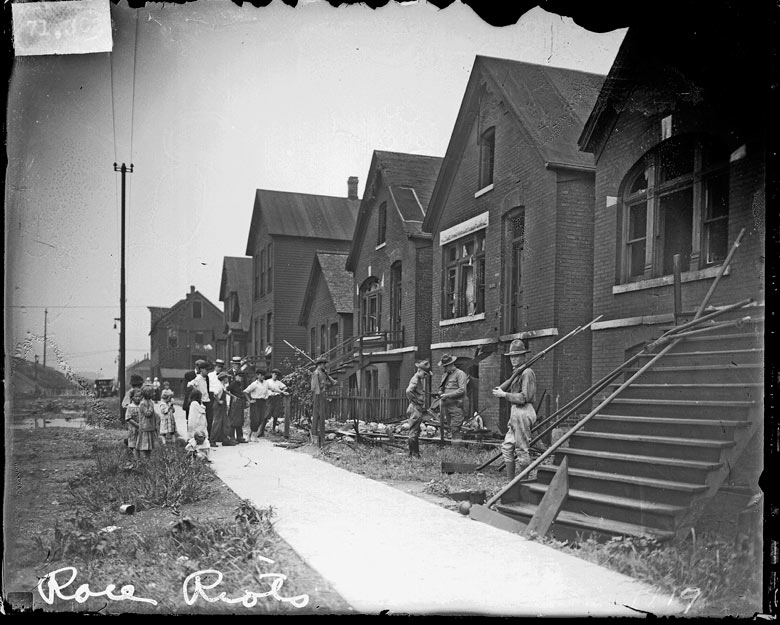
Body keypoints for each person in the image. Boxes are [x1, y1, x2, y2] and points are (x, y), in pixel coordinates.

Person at [492, 339, 537, 481]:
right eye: (512, 356)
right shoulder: (518, 372)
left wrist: (504, 395)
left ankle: (523, 483)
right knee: (506, 447)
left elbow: (525, 397)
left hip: (523, 411)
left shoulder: (527, 372)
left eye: (517, 356)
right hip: (515, 412)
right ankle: (511, 482)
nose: (513, 359)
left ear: (524, 356)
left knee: (521, 449)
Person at [437, 353, 469, 441]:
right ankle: (455, 448)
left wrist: (447, 395)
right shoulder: (445, 375)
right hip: (446, 406)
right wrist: (440, 392)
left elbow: (462, 390)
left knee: (455, 428)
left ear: (451, 364)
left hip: (457, 406)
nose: (444, 368)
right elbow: (442, 387)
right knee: (452, 428)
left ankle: (457, 451)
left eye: (446, 366)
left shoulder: (460, 374)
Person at [404, 359, 431, 458]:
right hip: (415, 408)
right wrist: (416, 401)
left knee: (415, 431)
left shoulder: (418, 379)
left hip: (416, 407)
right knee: (413, 432)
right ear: (419, 370)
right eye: (424, 374)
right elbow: (408, 391)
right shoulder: (415, 380)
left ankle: (415, 454)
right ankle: (412, 454)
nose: (425, 376)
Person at [310, 356, 337, 447]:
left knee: (322, 416)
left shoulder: (323, 373)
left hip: (322, 394)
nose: (325, 366)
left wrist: (329, 381)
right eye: (323, 364)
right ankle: (315, 438)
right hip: (318, 395)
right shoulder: (316, 373)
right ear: (320, 364)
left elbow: (327, 384)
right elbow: (315, 386)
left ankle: (322, 438)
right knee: (317, 414)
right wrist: (319, 394)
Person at [211, 371, 236, 446]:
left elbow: (225, 391)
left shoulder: (222, 385)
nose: (228, 379)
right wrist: (219, 401)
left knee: (225, 423)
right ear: (223, 378)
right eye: (226, 378)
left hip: (223, 407)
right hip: (218, 406)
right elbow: (214, 394)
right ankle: (212, 440)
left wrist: (232, 396)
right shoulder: (218, 385)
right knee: (217, 423)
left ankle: (225, 440)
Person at [243, 368, 269, 442]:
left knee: (261, 418)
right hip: (255, 402)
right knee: (255, 419)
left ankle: (254, 434)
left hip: (263, 402)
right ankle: (250, 435)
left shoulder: (266, 383)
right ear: (258, 375)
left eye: (263, 375)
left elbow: (272, 388)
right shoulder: (254, 384)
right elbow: (245, 391)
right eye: (261, 375)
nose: (263, 377)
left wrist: (282, 391)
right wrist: (249, 400)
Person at [136, 385, 161, 459]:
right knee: (144, 445)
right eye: (152, 392)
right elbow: (148, 413)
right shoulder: (143, 403)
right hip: (145, 427)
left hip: (150, 427)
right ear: (148, 393)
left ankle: (148, 459)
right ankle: (144, 459)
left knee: (149, 446)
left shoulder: (150, 402)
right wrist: (151, 407)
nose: (154, 394)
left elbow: (152, 413)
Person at [187, 360, 211, 436]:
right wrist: (196, 390)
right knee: (201, 421)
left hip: (207, 401)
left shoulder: (206, 378)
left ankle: (207, 437)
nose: (207, 372)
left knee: (208, 421)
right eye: (206, 370)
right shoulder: (198, 378)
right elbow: (189, 384)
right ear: (201, 369)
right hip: (202, 402)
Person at [265, 368, 289, 435]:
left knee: (275, 414)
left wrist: (282, 392)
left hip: (276, 398)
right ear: (272, 374)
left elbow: (285, 387)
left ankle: (273, 429)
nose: (275, 376)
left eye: (277, 375)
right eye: (274, 374)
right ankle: (261, 430)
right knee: (266, 413)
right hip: (269, 398)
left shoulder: (279, 382)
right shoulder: (267, 381)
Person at [227, 370, 248, 443]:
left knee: (240, 420)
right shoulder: (233, 383)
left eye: (242, 377)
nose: (240, 378)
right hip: (235, 403)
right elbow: (226, 390)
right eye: (239, 376)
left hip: (240, 402)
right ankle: (232, 437)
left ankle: (240, 437)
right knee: (233, 420)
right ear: (236, 376)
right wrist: (233, 396)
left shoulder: (240, 384)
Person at [125, 388, 143, 458]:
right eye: (136, 396)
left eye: (139, 396)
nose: (138, 398)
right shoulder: (130, 407)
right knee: (134, 444)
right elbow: (128, 418)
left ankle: (141, 459)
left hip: (141, 429)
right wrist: (137, 425)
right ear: (132, 398)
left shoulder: (142, 406)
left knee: (140, 444)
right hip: (133, 429)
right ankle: (136, 460)